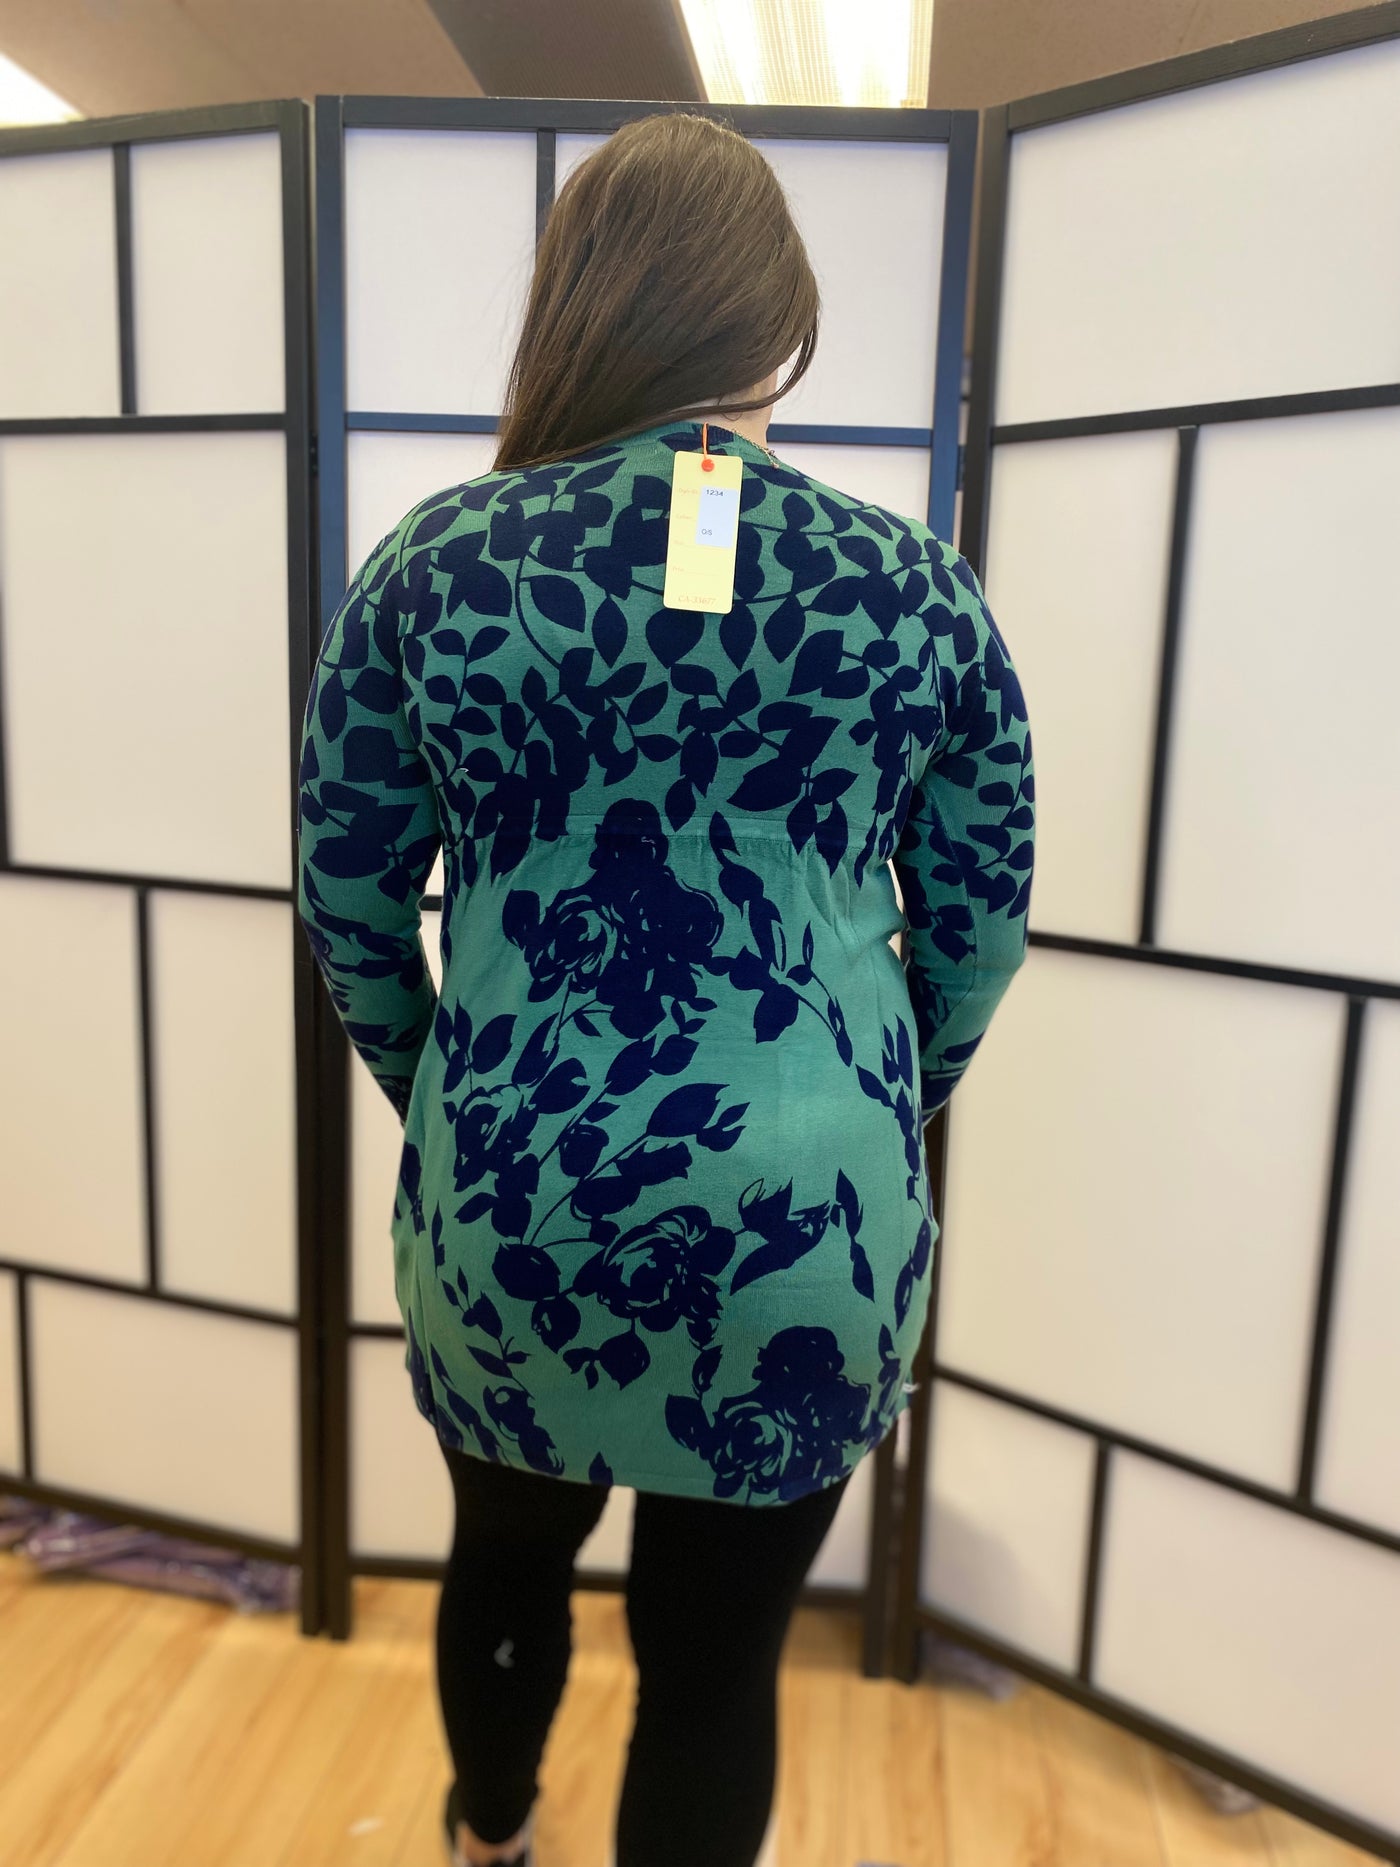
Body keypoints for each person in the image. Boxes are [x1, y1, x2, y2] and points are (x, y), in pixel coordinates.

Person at [296, 110, 1034, 1867]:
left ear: (577, 307)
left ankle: (489, 1834)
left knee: (504, 1564)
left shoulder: (435, 569)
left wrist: (456, 1096)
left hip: (513, 1207)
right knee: (717, 1662)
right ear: (782, 327)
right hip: (811, 1231)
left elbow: (348, 903)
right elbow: (981, 924)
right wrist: (866, 1106)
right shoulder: (912, 591)